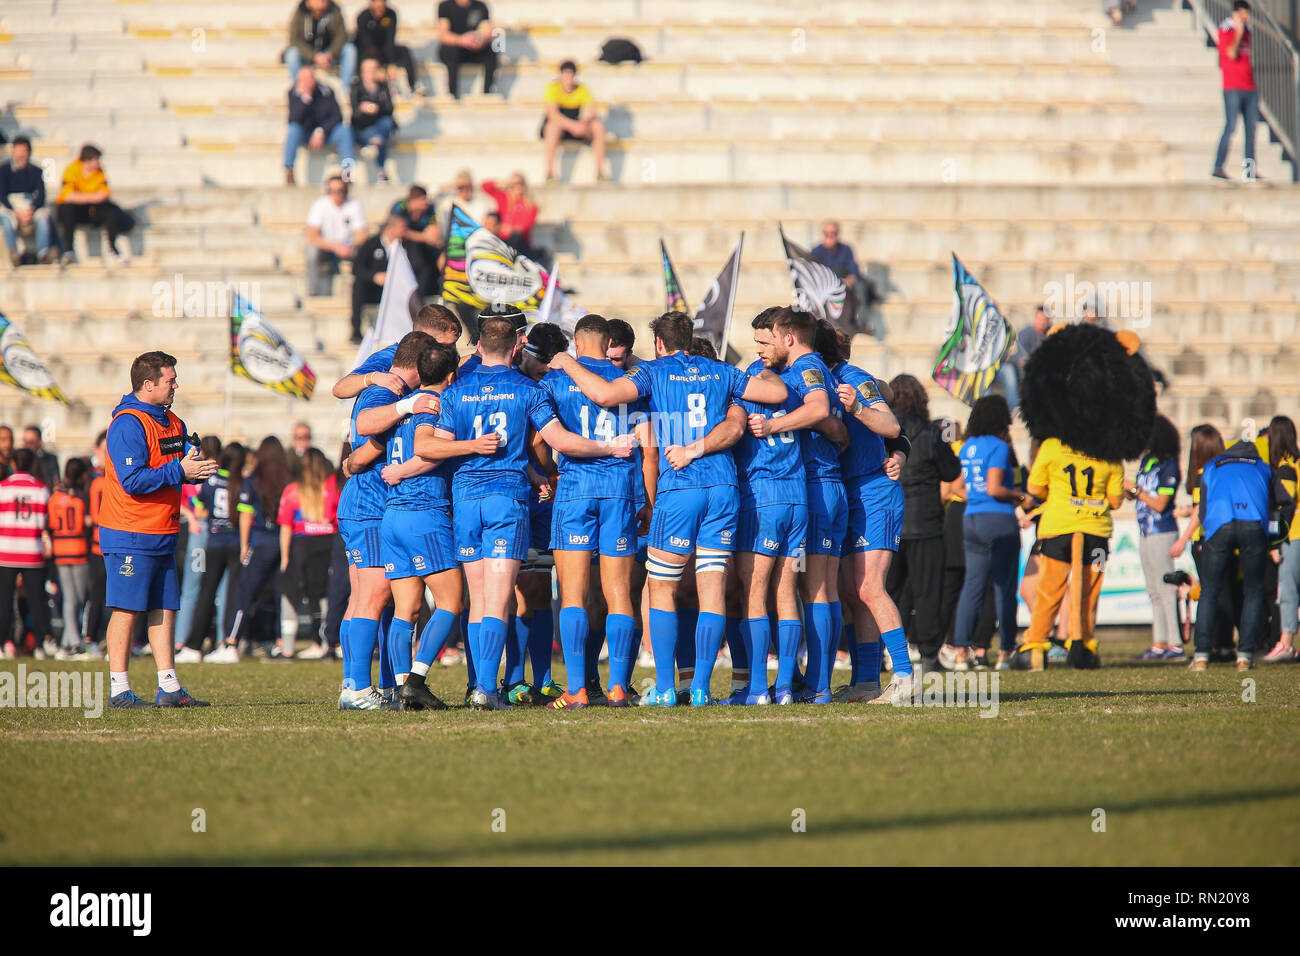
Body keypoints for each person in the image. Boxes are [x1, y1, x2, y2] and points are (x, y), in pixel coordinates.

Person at [549, 310, 787, 706]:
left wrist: (568, 361)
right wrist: (766, 363)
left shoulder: (654, 372)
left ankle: (662, 687)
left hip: (680, 487)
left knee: (661, 586)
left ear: (659, 343)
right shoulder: (722, 372)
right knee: (712, 589)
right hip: (724, 486)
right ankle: (701, 690)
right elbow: (777, 394)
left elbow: (605, 395)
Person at [423, 315, 632, 709]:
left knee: (479, 599)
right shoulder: (528, 390)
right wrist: (606, 449)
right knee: (503, 598)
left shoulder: (454, 393)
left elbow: (432, 447)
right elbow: (557, 440)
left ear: (479, 346)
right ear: (518, 347)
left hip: (466, 500)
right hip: (508, 499)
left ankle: (479, 687)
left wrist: (468, 449)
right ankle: (493, 688)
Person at [537, 315, 645, 709]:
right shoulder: (628, 381)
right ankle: (618, 687)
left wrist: (546, 472)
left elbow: (540, 441)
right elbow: (646, 440)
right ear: (608, 341)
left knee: (574, 596)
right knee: (618, 592)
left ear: (576, 341)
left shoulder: (553, 381)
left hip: (576, 490)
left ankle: (577, 689)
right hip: (619, 490)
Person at [98, 351, 216, 707]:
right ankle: (119, 690)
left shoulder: (172, 421)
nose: (176, 385)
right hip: (130, 531)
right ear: (148, 385)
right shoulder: (128, 423)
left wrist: (193, 464)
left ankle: (169, 686)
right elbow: (132, 480)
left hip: (163, 530)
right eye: (170, 380)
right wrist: (181, 472)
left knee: (165, 607)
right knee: (126, 608)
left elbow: (173, 465)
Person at [339, 330, 437, 709]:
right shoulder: (388, 391)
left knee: (365, 598)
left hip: (368, 504)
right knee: (373, 596)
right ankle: (358, 689)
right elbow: (365, 427)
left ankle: (355, 684)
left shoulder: (397, 389)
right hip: (369, 504)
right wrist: (406, 407)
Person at [375, 343, 473, 710]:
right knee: (451, 601)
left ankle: (401, 689)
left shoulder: (404, 407)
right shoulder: (437, 405)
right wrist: (473, 446)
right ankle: (415, 681)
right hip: (424, 510)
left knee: (406, 610)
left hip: (392, 515)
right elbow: (428, 449)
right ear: (452, 375)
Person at [827, 326, 908, 702]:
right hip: (848, 493)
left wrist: (858, 406)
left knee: (870, 587)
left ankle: (905, 677)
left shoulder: (852, 379)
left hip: (874, 490)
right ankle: (866, 682)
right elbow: (888, 390)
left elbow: (891, 424)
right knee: (850, 591)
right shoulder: (820, 378)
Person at [1013, 430, 1124, 671]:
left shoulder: (1052, 446)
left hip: (1058, 527)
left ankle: (1035, 647)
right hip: (1096, 531)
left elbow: (1035, 487)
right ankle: (1083, 646)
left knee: (1049, 591)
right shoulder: (1111, 452)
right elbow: (1115, 501)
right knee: (1089, 592)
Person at [1190, 424, 1289, 671]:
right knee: (1253, 590)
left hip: (1220, 525)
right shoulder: (1263, 467)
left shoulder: (1212, 466)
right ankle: (1244, 655)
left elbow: (1203, 509)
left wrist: (1210, 533)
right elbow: (1284, 502)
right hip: (1254, 525)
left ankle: (1201, 656)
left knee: (1209, 590)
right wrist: (1275, 537)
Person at [885, 374, 961, 672]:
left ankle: (889, 651)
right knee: (928, 590)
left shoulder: (886, 432)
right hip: (926, 523)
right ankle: (929, 653)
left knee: (892, 590)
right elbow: (951, 471)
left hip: (892, 521)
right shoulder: (932, 434)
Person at [950, 395, 1026, 671]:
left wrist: (977, 498)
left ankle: (960, 652)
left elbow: (956, 488)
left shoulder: (968, 446)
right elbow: (995, 487)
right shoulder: (999, 446)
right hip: (999, 520)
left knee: (972, 587)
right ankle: (1006, 652)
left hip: (972, 520)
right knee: (1004, 589)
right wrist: (1020, 496)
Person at [207, 437, 292, 661]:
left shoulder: (255, 479)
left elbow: (246, 515)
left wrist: (245, 545)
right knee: (277, 594)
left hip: (261, 541)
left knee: (244, 593)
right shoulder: (288, 480)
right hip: (281, 541)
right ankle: (281, 643)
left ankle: (231, 643)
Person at [177, 443, 245, 661]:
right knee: (229, 594)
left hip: (214, 543)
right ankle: (225, 642)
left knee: (206, 593)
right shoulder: (241, 482)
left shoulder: (211, 479)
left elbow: (200, 509)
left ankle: (193, 645)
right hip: (235, 542)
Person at [1125, 415, 1184, 661]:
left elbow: (1160, 504)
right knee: (1153, 589)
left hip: (1162, 530)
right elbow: (1140, 495)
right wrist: (1130, 492)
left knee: (1166, 587)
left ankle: (1176, 644)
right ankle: (1159, 642)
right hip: (1145, 531)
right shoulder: (1147, 462)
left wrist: (1137, 491)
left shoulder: (1169, 465)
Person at [278, 447, 338, 655]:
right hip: (327, 544)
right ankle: (324, 643)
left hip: (301, 546)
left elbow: (286, 526)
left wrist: (285, 558)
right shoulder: (332, 489)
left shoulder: (292, 491)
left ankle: (287, 648)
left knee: (290, 595)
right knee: (322, 596)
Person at [332, 303, 462, 398]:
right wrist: (373, 377)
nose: (453, 350)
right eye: (447, 345)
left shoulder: (448, 361)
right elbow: (340, 389)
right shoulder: (394, 356)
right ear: (424, 336)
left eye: (454, 344)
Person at [0, 448, 53, 658]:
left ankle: (4, 644)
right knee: (37, 601)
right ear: (32, 464)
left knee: (4, 600)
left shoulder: (3, 488)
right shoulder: (41, 488)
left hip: (6, 551)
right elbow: (47, 523)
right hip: (32, 550)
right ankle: (40, 645)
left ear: (13, 462)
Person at [55, 144, 135, 266]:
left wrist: (81, 197)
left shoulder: (99, 172)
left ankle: (113, 249)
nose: (99, 163)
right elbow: (67, 196)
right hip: (75, 211)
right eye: (96, 159)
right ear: (87, 160)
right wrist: (90, 197)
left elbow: (103, 195)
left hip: (91, 210)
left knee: (111, 210)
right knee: (67, 208)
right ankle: (68, 250)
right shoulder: (72, 169)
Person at [1263, 416, 1300, 661]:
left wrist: (1275, 542)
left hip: (1294, 534)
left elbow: (1284, 507)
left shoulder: (1286, 467)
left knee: (1288, 589)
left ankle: (1285, 642)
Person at [49, 457, 93, 657]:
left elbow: (50, 523)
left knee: (70, 597)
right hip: (78, 548)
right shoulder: (82, 497)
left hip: (60, 547)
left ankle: (68, 641)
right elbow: (88, 521)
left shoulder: (55, 497)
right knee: (78, 597)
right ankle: (75, 641)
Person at [1212, 1, 1259, 181]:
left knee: (1250, 132)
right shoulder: (1227, 30)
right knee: (1230, 127)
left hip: (1249, 87)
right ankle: (1218, 167)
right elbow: (1231, 53)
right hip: (1232, 87)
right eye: (1243, 14)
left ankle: (1250, 171)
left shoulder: (1248, 32)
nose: (1246, 18)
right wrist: (1238, 32)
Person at [284, 67, 354, 186]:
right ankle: (289, 170)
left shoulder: (326, 91)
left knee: (344, 131)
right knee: (294, 130)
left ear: (314, 79)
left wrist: (321, 131)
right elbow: (293, 119)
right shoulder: (293, 93)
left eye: (308, 79)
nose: (305, 83)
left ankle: (347, 172)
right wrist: (305, 100)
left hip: (326, 133)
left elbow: (337, 116)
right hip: (305, 134)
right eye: (302, 80)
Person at [541, 60, 608, 182]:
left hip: (576, 125)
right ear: (561, 75)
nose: (568, 78)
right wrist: (573, 126)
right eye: (566, 74)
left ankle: (600, 172)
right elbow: (552, 114)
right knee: (552, 128)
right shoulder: (553, 88)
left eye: (571, 74)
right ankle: (550, 172)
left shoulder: (582, 89)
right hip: (562, 126)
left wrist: (584, 121)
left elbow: (592, 110)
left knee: (598, 127)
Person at [349, 214, 408, 343]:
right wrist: (375, 276)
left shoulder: (406, 245)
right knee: (358, 286)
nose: (405, 231)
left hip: (397, 288)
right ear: (390, 228)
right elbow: (357, 268)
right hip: (373, 288)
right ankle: (356, 330)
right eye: (401, 227)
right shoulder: (371, 244)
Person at [305, 175, 366, 296]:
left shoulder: (354, 205)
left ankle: (360, 294)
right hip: (326, 247)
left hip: (347, 246)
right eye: (332, 191)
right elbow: (312, 236)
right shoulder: (320, 205)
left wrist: (349, 245)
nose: (336, 194)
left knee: (365, 252)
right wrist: (335, 247)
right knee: (311, 252)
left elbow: (361, 235)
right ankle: (313, 293)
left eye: (340, 191)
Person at [1, 136, 57, 266]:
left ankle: (43, 253)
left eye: (23, 151)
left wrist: (31, 210)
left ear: (29, 152)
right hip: (11, 206)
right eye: (18, 151)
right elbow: (2, 195)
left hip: (29, 205)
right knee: (5, 218)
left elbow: (41, 195)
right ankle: (13, 251)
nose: (20, 155)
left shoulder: (37, 171)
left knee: (43, 216)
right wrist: (16, 211)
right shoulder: (3, 170)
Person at [283, 0, 357, 91]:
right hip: (308, 54)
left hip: (329, 52)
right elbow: (294, 39)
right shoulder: (300, 12)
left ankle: (346, 89)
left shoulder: (335, 10)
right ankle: (298, 89)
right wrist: (314, 56)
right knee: (291, 54)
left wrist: (331, 53)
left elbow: (341, 36)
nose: (321, 2)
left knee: (350, 50)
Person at [354, 0, 422, 94]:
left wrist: (392, 63)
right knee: (362, 55)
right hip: (368, 52)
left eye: (382, 8)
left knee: (404, 50)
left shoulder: (391, 14)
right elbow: (366, 42)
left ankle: (413, 85)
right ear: (372, 4)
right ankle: (360, 83)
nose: (380, 11)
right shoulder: (363, 17)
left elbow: (390, 40)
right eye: (377, 8)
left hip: (386, 49)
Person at [437, 0, 497, 99]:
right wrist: (461, 40)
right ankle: (452, 93)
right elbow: (443, 36)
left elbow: (487, 31)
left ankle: (488, 92)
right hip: (453, 48)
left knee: (493, 50)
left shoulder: (480, 6)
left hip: (472, 49)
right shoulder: (445, 6)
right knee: (452, 51)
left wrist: (479, 39)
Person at [351, 57, 397, 183]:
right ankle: (381, 170)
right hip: (363, 129)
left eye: (374, 70)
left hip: (379, 128)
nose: (371, 73)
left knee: (384, 127)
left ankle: (373, 144)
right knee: (378, 137)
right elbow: (355, 115)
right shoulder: (356, 88)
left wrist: (377, 108)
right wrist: (363, 110)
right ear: (362, 72)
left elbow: (390, 109)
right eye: (368, 70)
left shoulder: (383, 87)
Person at [390, 185, 442, 296]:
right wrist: (424, 237)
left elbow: (435, 231)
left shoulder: (430, 209)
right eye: (423, 199)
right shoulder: (399, 207)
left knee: (441, 250)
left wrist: (426, 237)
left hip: (424, 242)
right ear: (413, 201)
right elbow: (399, 232)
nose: (426, 202)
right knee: (417, 258)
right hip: (404, 243)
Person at [481, 173, 542, 262]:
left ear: (524, 186)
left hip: (520, 243)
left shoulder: (530, 206)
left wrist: (509, 229)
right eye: (514, 184)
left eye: (520, 183)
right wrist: (503, 182)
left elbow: (525, 226)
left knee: (515, 237)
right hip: (502, 240)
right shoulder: (503, 198)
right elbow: (485, 186)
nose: (517, 187)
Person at [22, 425, 59, 489]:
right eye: (26, 442)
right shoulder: (19, 459)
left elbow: (54, 480)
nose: (27, 446)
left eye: (31, 442)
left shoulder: (50, 459)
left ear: (39, 441)